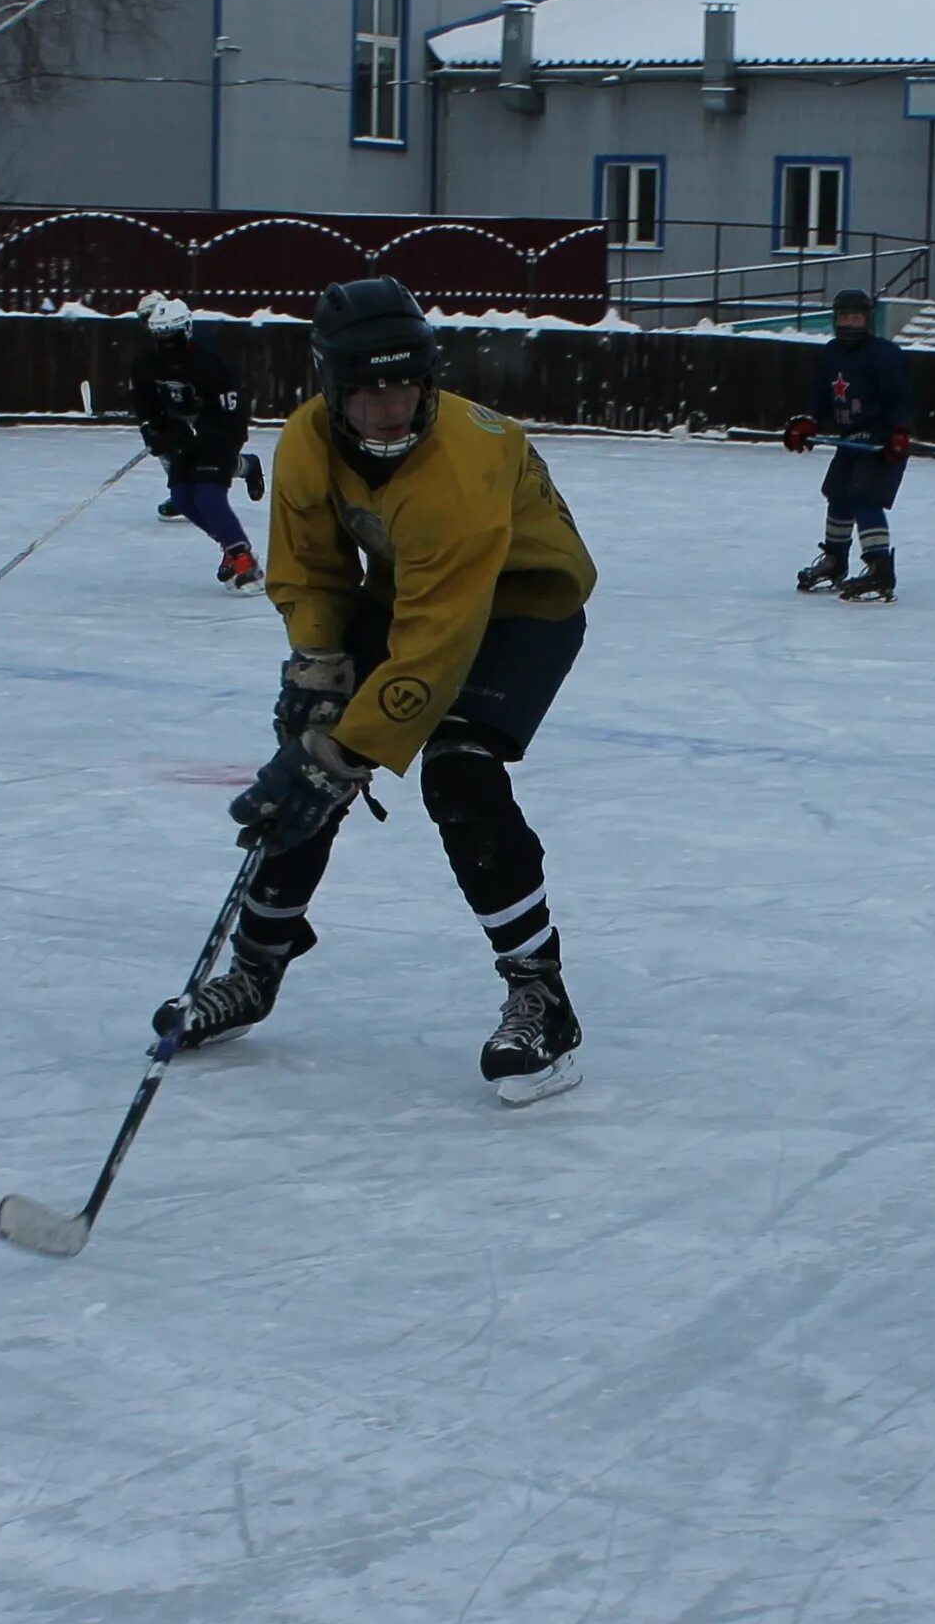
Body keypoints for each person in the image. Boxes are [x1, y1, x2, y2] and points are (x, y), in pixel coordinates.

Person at [161, 278, 602, 1103]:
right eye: (369, 392)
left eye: (406, 386)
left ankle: (541, 994)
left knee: (458, 770)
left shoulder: (458, 474)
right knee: (310, 752)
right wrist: (318, 673)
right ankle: (257, 965)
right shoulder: (306, 442)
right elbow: (313, 570)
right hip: (411, 588)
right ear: (332, 389)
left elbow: (434, 653)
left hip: (525, 602)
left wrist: (345, 749)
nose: (393, 409)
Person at [782, 287, 914, 603]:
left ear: (867, 319)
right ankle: (835, 560)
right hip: (849, 440)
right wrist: (808, 421)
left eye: (856, 316)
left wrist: (899, 431)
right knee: (838, 494)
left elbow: (901, 396)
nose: (849, 322)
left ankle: (879, 566)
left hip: (880, 441)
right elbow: (821, 394)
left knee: (864, 496)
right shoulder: (832, 353)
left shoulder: (884, 354)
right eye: (844, 316)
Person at [129, 291, 265, 588]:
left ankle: (245, 560)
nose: (167, 345)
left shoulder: (208, 363)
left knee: (208, 496)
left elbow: (229, 410)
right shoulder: (145, 365)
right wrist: (156, 431)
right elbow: (145, 405)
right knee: (183, 498)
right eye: (161, 337)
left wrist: (213, 440)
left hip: (217, 434)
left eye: (173, 337)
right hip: (181, 437)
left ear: (186, 331)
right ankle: (230, 545)